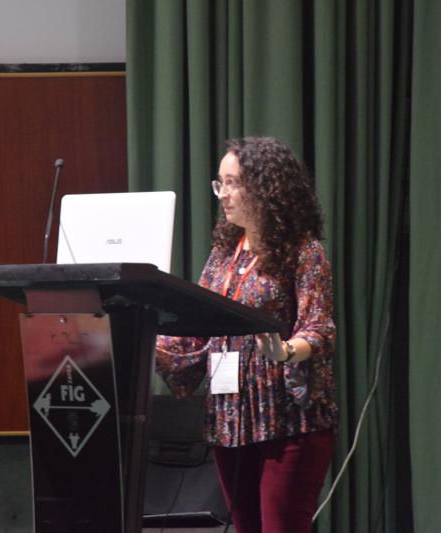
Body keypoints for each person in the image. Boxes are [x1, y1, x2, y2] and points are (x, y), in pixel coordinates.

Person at [155, 137, 338, 533]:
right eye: (219, 183)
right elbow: (196, 329)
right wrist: (137, 334)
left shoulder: (303, 251)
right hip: (231, 418)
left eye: (233, 182)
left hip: (288, 420)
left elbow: (320, 328)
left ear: (266, 187)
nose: (223, 194)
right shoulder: (224, 254)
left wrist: (286, 351)